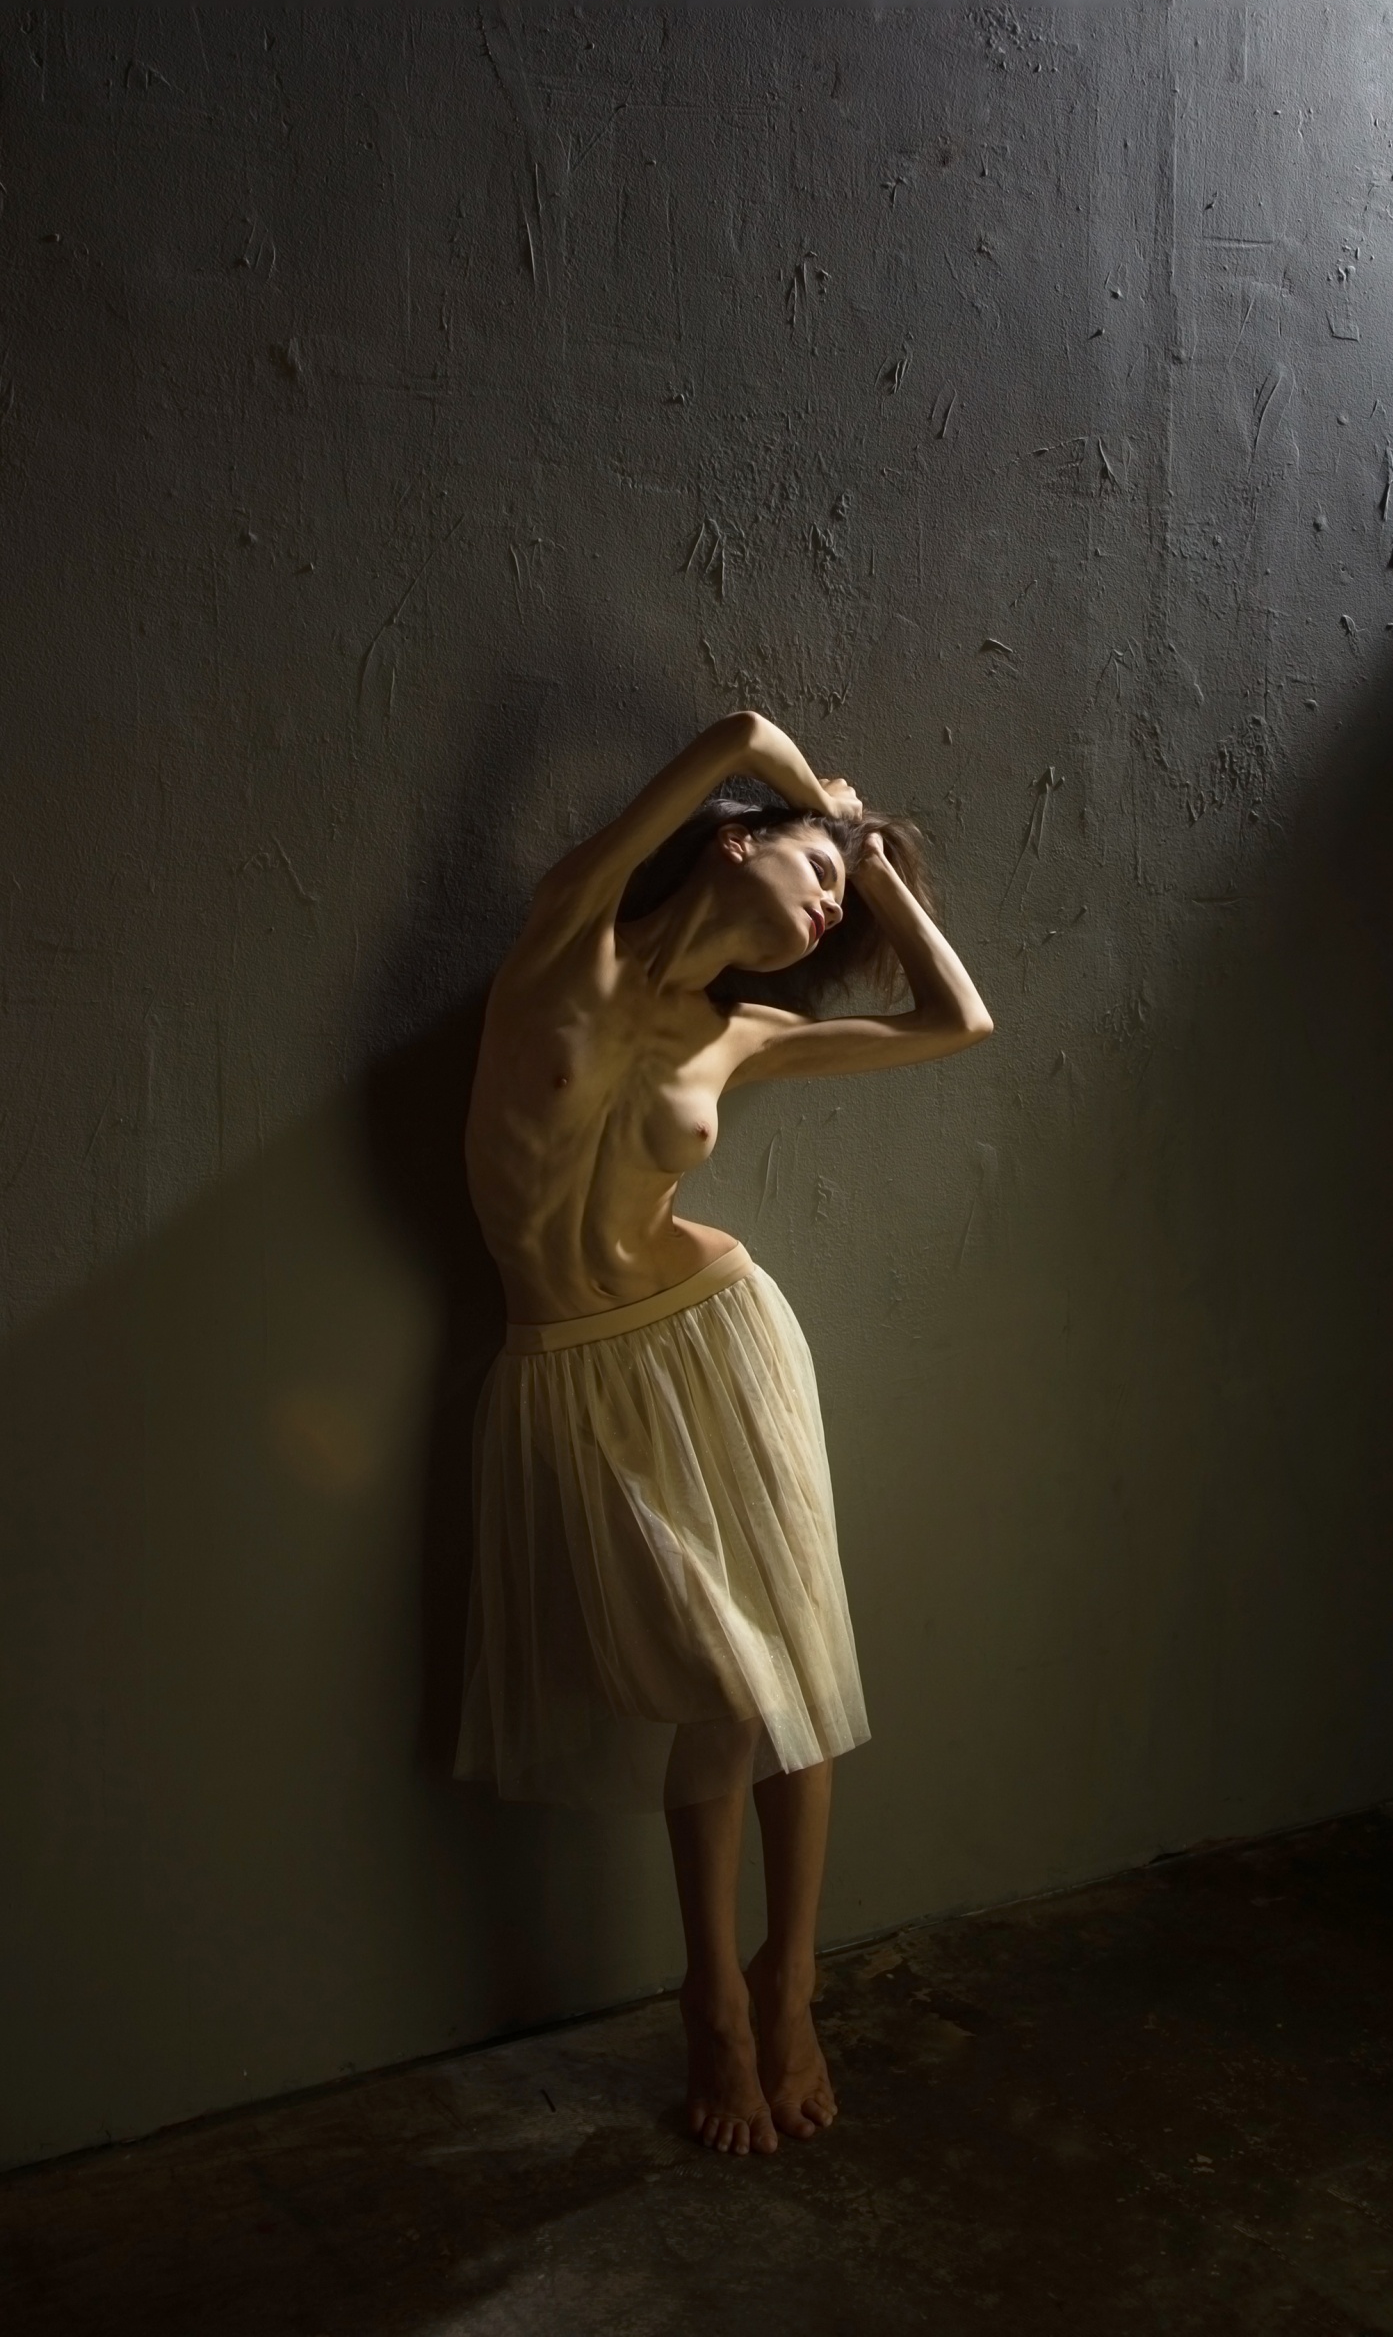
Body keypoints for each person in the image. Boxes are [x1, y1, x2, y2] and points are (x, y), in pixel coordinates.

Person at [453, 707, 994, 2158]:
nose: (828, 908)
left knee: (785, 1663)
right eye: (815, 872)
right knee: (720, 1674)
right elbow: (743, 730)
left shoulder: (744, 1035)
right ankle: (714, 1992)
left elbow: (959, 1024)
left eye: (839, 899)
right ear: (738, 839)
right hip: (573, 1365)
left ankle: (778, 1985)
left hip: (719, 1339)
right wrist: (833, 806)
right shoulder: (569, 937)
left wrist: (869, 872)